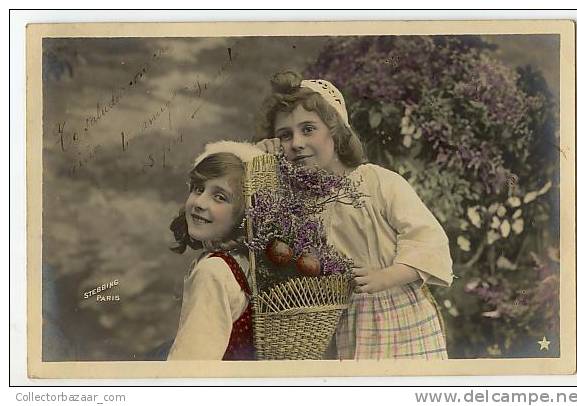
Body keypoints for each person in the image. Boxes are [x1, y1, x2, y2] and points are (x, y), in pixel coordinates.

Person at [255, 71, 454, 359]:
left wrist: (386, 276)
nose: (296, 142)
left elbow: (429, 240)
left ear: (335, 132)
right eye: (285, 136)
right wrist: (262, 157)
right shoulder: (297, 202)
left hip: (398, 314)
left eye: (308, 129)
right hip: (342, 322)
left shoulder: (376, 181)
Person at [166, 141, 265, 360]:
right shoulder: (242, 261)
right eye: (198, 189)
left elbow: (191, 363)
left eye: (220, 197)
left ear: (244, 216)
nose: (200, 202)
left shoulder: (213, 271)